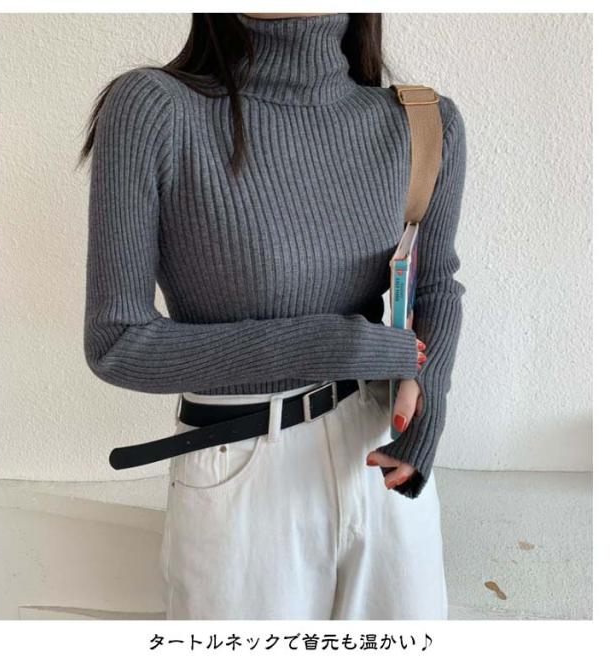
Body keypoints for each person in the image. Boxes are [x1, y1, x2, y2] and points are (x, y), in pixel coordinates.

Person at [80, 12, 466, 620]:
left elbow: (436, 282)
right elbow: (118, 343)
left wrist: (430, 400)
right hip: (241, 466)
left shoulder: (421, 121)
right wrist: (331, 346)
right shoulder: (155, 109)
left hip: (381, 455)